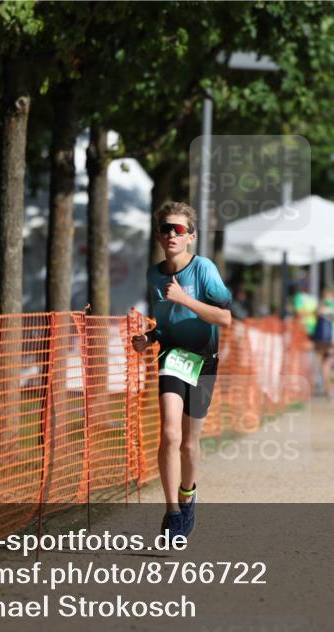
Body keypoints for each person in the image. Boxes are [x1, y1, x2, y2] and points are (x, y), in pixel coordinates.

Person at [131, 202, 231, 539]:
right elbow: (166, 323)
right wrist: (150, 336)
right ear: (159, 236)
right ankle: (173, 511)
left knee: (190, 443)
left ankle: (188, 493)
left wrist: (185, 300)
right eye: (166, 229)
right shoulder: (154, 274)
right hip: (174, 357)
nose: (172, 234)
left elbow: (225, 317)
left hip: (204, 358)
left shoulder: (203, 269)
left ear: (191, 236)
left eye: (179, 229)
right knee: (170, 434)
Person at [312, 286, 334, 399]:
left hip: (319, 337)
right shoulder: (331, 304)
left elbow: (317, 313)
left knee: (319, 362)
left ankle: (318, 388)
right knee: (327, 363)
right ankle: (327, 388)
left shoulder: (321, 305)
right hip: (327, 338)